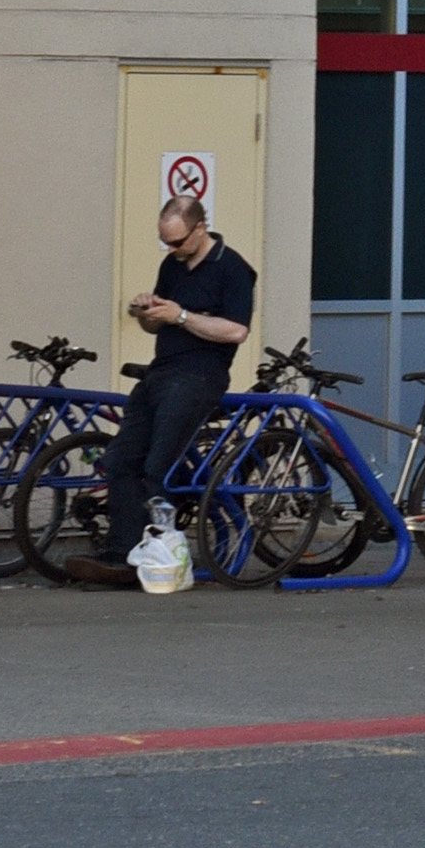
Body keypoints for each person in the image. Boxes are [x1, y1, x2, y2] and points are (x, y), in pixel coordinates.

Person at [93, 187, 255, 576]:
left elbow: (236, 331)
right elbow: (158, 324)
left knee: (158, 466)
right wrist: (146, 312)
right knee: (121, 460)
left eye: (178, 242)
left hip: (199, 376)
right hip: (161, 371)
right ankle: (123, 552)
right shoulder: (172, 265)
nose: (172, 249)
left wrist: (181, 316)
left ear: (200, 229)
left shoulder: (233, 268)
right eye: (165, 242)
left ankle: (164, 554)